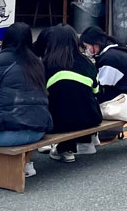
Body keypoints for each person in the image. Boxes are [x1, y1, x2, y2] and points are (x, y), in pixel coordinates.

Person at [0, 22, 52, 185]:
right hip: (37, 130)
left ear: (6, 39)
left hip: (4, 136)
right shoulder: (37, 63)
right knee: (29, 111)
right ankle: (26, 164)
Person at [35, 25, 101, 163]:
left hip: (57, 124)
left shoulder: (46, 64)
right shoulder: (87, 63)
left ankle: (61, 148)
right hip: (90, 119)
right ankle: (69, 147)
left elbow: (39, 96)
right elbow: (96, 91)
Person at [79, 27, 127, 112]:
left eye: (86, 47)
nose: (86, 51)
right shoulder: (112, 52)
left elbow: (102, 86)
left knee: (88, 105)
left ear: (95, 44)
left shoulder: (110, 58)